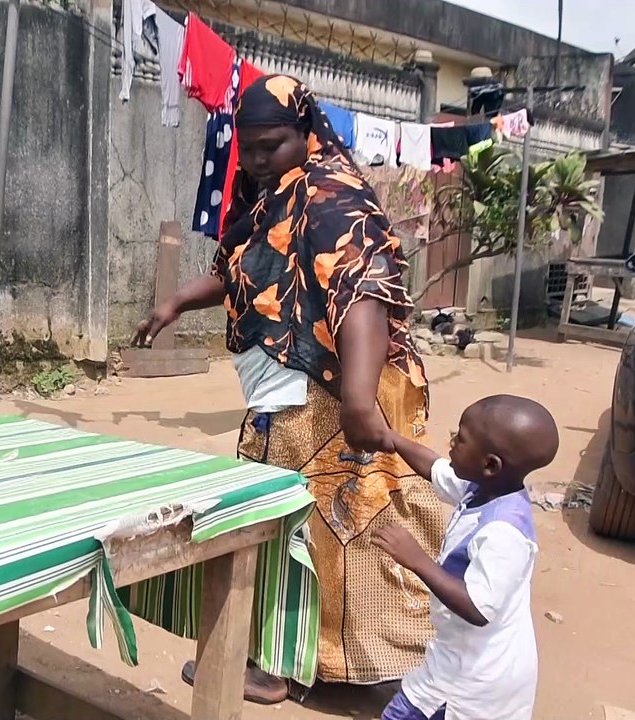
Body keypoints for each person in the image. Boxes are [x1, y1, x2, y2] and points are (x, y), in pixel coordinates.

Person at [127, 75, 444, 702]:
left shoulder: (333, 200)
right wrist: (175, 303)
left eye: (270, 145)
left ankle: (298, 664)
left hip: (332, 394)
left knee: (327, 524)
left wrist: (357, 399)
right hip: (282, 394)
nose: (253, 159)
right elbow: (238, 267)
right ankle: (286, 654)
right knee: (286, 519)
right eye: (246, 147)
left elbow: (364, 299)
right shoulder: (270, 193)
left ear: (307, 133)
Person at [374, 395, 557, 720]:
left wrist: (417, 559)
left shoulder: (503, 532)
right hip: (463, 657)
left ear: (490, 464)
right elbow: (435, 468)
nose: (452, 441)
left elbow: (478, 607)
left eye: (461, 438)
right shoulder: (485, 489)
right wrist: (393, 440)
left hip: (472, 677)